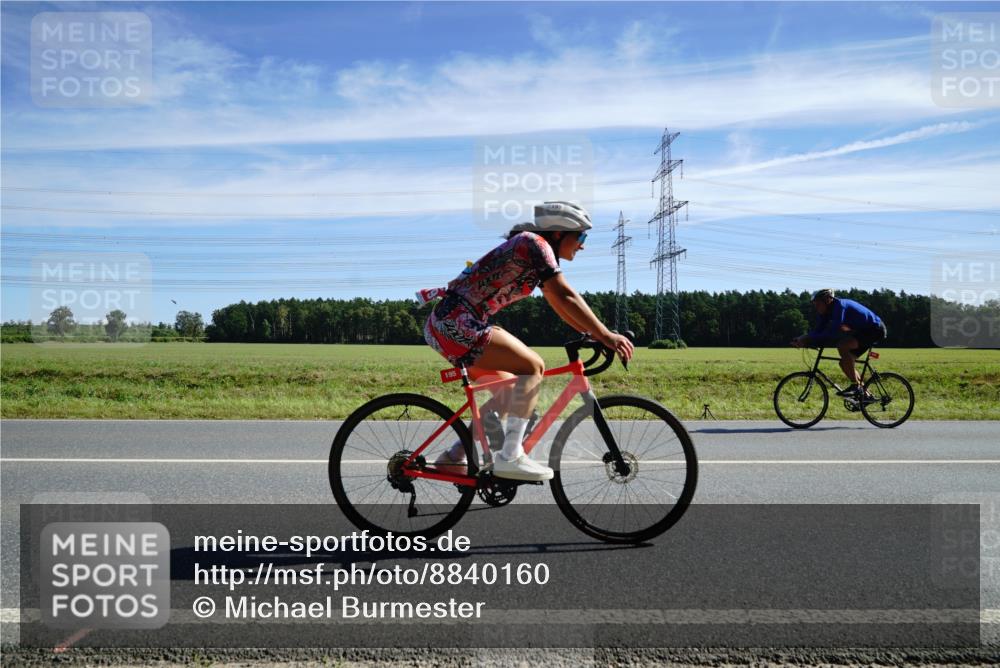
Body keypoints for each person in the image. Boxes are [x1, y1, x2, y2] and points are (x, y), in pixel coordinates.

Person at [422, 201, 634, 481]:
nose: (582, 245)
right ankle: (511, 457)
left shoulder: (536, 253)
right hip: (457, 321)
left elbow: (559, 303)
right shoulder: (534, 243)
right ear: (559, 233)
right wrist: (606, 335)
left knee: (510, 393)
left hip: (449, 322)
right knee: (533, 366)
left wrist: (594, 334)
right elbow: (566, 295)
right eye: (581, 236)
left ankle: (453, 458)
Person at [791, 289, 887, 400]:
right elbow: (818, 330)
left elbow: (833, 332)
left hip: (875, 329)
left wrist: (808, 339)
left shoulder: (840, 306)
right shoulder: (827, 312)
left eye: (818, 303)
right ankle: (865, 396)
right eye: (814, 304)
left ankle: (856, 386)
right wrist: (803, 339)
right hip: (863, 331)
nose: (816, 307)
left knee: (843, 346)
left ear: (827, 300)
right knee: (844, 363)